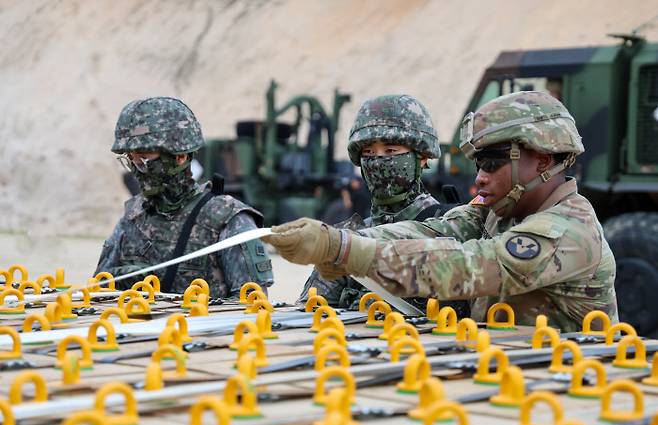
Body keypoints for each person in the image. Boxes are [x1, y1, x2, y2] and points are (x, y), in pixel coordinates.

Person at [264, 91, 618, 332]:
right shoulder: (497, 211)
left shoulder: (569, 229)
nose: (480, 177)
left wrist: (347, 250)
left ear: (543, 158)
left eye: (493, 163)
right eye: (479, 163)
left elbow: (473, 264)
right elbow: (432, 231)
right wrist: (339, 240)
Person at [298, 95, 468, 316]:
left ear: (423, 156)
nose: (378, 161)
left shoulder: (448, 229)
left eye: (391, 151)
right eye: (368, 153)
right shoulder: (349, 236)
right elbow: (309, 315)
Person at [96, 97, 274, 297]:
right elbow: (99, 293)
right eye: (131, 159)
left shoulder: (228, 221)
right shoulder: (132, 218)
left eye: (144, 158)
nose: (138, 170)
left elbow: (253, 310)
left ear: (180, 156)